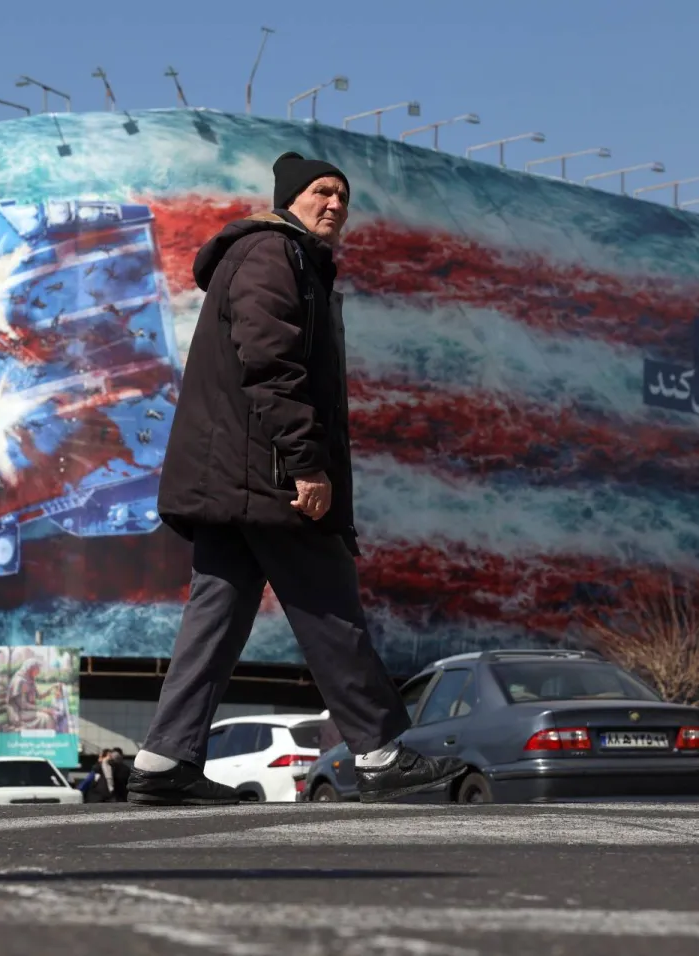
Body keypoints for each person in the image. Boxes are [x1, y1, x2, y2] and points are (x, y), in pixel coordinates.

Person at [127, 152, 469, 807]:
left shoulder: (281, 256)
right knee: (330, 606)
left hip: (236, 478)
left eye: (343, 195)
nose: (336, 204)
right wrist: (308, 465)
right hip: (267, 477)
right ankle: (380, 753)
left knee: (216, 617)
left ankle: (163, 759)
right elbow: (270, 366)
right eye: (322, 192)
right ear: (290, 199)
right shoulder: (270, 254)